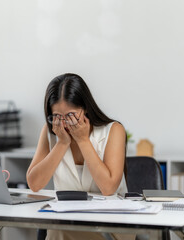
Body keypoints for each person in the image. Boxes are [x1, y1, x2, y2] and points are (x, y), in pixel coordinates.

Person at [26, 73, 132, 240]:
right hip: (67, 218)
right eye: (57, 117)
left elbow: (108, 188)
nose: (64, 124)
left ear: (86, 109)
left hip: (111, 222)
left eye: (71, 116)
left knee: (59, 232)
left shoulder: (113, 130)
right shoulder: (50, 133)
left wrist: (83, 140)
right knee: (59, 230)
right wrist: (61, 144)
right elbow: (34, 183)